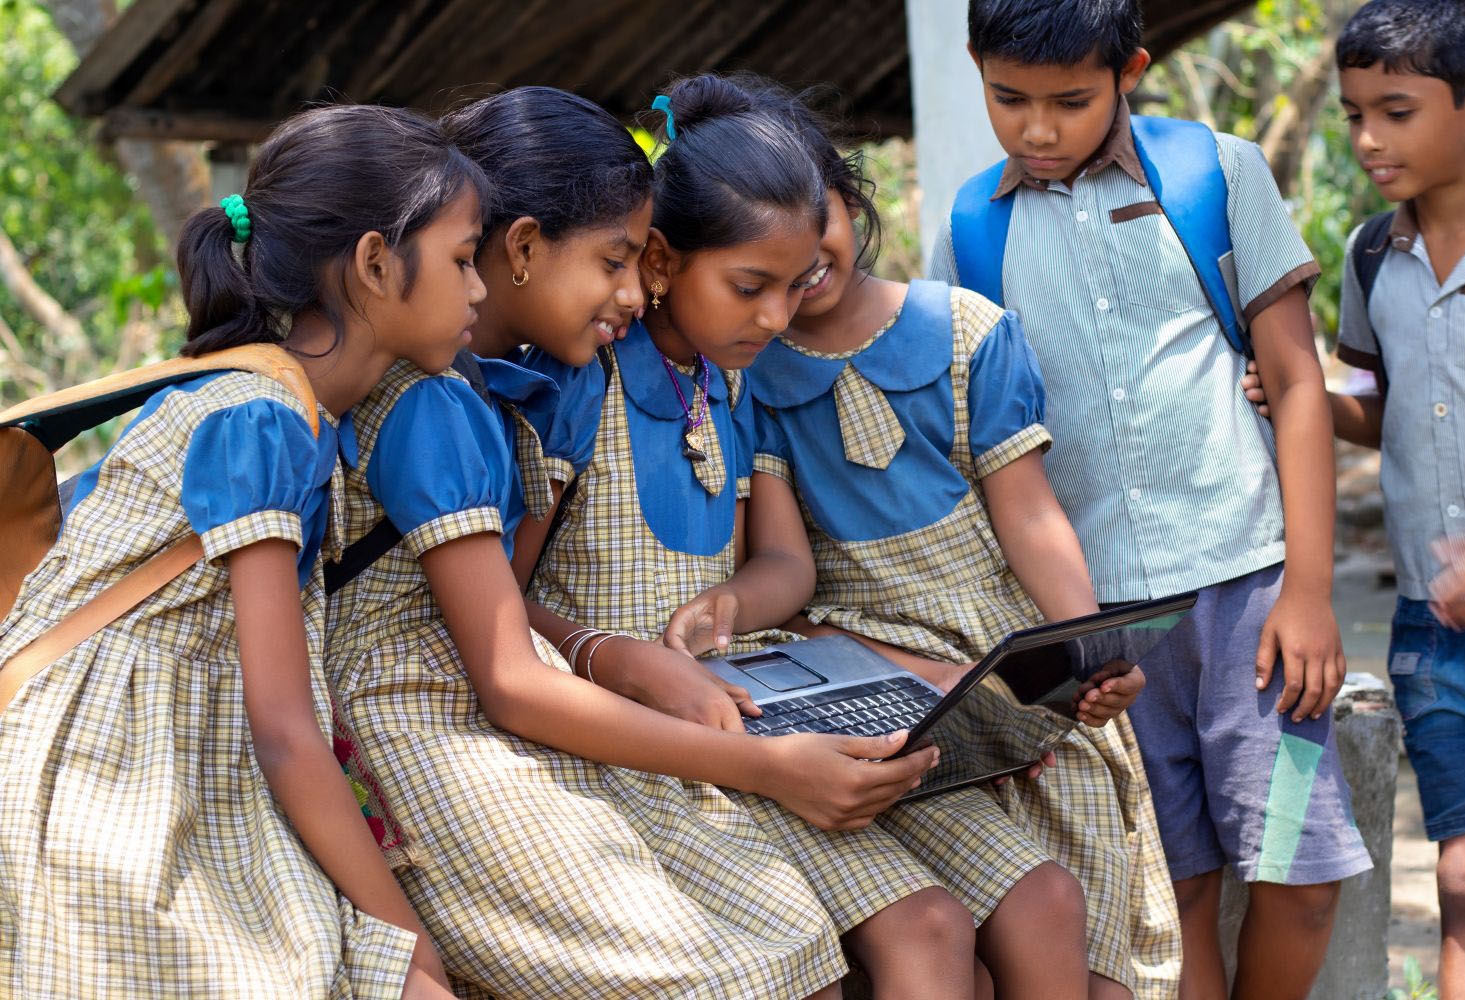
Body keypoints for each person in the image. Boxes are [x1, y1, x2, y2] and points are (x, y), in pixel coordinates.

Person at [529, 73, 1092, 1000]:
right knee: (911, 933)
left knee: (1025, 899)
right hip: (635, 734)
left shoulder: (736, 385)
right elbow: (494, 601)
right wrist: (606, 653)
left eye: (794, 289)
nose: (778, 319)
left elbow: (783, 564)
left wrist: (730, 602)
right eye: (751, 287)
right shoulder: (582, 382)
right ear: (661, 261)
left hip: (751, 697)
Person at [322, 86, 857, 999]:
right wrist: (764, 766)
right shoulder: (436, 401)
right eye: (618, 260)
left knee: (785, 944)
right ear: (522, 247)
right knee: (717, 973)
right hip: (423, 725)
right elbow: (506, 674)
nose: (635, 290)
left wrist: (603, 652)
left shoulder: (501, 392)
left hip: (497, 703)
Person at [683, 76, 1175, 1000]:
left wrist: (1088, 646)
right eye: (764, 269)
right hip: (873, 669)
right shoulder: (751, 368)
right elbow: (784, 562)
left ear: (848, 195)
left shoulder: (965, 334)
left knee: (1094, 936)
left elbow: (1028, 515)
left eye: (815, 223)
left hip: (1002, 661)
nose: (799, 277)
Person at [930, 2, 1373, 996]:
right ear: (975, 69)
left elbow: (1298, 383)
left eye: (1071, 102)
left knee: (1300, 872)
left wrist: (1308, 588)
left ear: (1129, 70)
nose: (1037, 128)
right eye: (1009, 100)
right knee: (1176, 891)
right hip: (1103, 630)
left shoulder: (1217, 173)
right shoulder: (969, 227)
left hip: (1255, 603)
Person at [0, 104, 489, 999]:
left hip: (133, 754)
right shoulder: (263, 419)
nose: (481, 289)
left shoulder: (266, 398)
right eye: (462, 259)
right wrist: (413, 947)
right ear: (378, 264)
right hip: (98, 787)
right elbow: (282, 731)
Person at [1247, 3, 1465, 993]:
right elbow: (1380, 406)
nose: (1365, 139)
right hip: (1435, 629)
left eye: (1395, 111)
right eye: (1354, 114)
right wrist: (1296, 397)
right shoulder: (1366, 256)